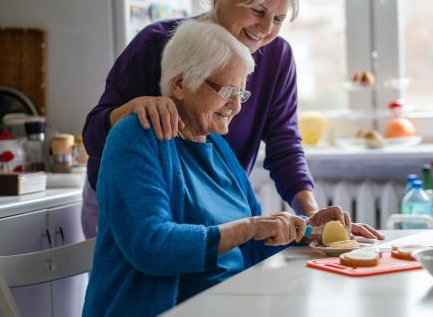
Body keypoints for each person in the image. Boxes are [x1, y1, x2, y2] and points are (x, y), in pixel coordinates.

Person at [82, 0, 382, 240]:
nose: (266, 29)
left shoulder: (277, 57)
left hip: (208, 212)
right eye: (258, 11)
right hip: (133, 209)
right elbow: (93, 136)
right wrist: (130, 109)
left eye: (278, 18)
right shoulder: (157, 43)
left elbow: (284, 145)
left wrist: (310, 214)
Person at [82, 20, 341, 316]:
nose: (236, 106)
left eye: (241, 94)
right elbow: (152, 246)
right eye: (226, 90)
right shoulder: (136, 137)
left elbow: (252, 247)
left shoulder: (218, 147)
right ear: (180, 84)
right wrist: (250, 227)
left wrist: (308, 230)